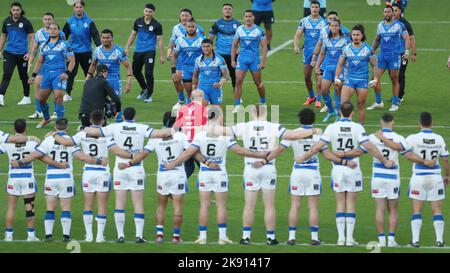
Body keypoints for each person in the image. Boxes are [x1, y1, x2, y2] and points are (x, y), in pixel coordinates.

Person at [207, 104, 325, 245]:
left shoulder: (244, 126)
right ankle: (270, 238)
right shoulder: (273, 126)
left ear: (251, 113)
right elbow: (293, 135)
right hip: (268, 166)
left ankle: (246, 237)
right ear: (265, 113)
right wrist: (314, 130)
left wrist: (205, 125)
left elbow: (222, 131)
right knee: (269, 205)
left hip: (251, 168)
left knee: (249, 205)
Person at [252, 108, 358, 246]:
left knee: (295, 206)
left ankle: (291, 237)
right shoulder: (318, 135)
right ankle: (314, 237)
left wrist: (264, 161)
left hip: (297, 173)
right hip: (313, 173)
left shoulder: (293, 134)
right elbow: (327, 155)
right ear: (313, 120)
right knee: (312, 207)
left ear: (299, 119)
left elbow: (279, 150)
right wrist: (345, 162)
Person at [295, 102, 395, 246]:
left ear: (340, 112)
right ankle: (349, 239)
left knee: (340, 202)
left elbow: (317, 147)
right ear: (352, 112)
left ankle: (341, 238)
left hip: (338, 168)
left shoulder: (332, 127)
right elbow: (369, 147)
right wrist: (384, 161)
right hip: (353, 167)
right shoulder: (357, 127)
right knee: (351, 203)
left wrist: (303, 157)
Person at [165, 111, 268, 245]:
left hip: (205, 173)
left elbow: (189, 152)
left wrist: (174, 163)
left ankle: (202, 237)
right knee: (221, 206)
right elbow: (239, 151)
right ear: (219, 117)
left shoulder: (200, 134)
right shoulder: (224, 135)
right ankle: (222, 237)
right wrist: (259, 155)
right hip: (220, 173)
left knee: (204, 206)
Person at [335, 113, 436, 247]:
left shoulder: (372, 137)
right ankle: (392, 240)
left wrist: (342, 153)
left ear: (380, 123)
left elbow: (357, 152)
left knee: (380, 209)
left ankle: (382, 240)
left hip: (377, 177)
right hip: (393, 178)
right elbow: (409, 155)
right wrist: (425, 161)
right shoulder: (399, 138)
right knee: (393, 209)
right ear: (393, 123)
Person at [83, 107, 174, 243]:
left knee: (120, 202)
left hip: (120, 168)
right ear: (134, 117)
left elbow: (95, 131)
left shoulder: (114, 127)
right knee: (138, 203)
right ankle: (138, 236)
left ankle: (120, 236)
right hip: (136, 168)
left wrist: (83, 129)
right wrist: (178, 131)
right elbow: (159, 133)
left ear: (123, 117)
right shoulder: (141, 127)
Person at [11, 117, 108, 242]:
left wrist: (20, 162)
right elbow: (82, 157)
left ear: (55, 127)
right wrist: (99, 161)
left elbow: (35, 155)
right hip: (66, 178)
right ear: (67, 127)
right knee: (66, 208)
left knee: (50, 208)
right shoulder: (69, 141)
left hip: (51, 178)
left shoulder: (48, 140)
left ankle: (48, 236)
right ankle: (66, 236)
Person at [118, 112, 205, 244]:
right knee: (178, 207)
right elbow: (191, 151)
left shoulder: (156, 138)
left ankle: (159, 235)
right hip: (178, 174)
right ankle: (176, 237)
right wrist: (207, 163)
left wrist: (128, 164)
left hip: (163, 175)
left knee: (161, 206)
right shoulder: (181, 136)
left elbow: (143, 154)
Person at [52, 110, 132, 243]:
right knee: (102, 206)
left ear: (90, 120)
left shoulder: (82, 133)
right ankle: (100, 236)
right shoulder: (106, 134)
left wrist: (54, 133)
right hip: (102, 173)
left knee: (88, 205)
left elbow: (66, 143)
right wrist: (131, 156)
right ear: (102, 121)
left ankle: (89, 236)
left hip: (88, 172)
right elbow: (116, 150)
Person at [0, 119, 65, 242]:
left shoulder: (7, 143)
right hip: (27, 179)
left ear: (14, 129)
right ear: (26, 129)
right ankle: (31, 236)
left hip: (13, 179)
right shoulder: (32, 143)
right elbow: (42, 157)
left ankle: (8, 236)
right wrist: (58, 164)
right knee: (30, 207)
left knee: (11, 208)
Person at [405, 112, 449, 248]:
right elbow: (446, 159)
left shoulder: (413, 138)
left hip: (419, 177)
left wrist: (422, 161)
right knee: (437, 210)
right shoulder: (439, 139)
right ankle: (440, 241)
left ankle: (415, 241)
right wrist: (447, 175)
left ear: (419, 123)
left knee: (417, 210)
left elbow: (407, 154)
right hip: (435, 178)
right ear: (432, 123)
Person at [28, 23, 75, 129]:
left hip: (59, 74)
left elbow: (72, 61)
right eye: (50, 29)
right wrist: (34, 75)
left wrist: (67, 73)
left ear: (59, 31)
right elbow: (40, 61)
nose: (52, 30)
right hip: (47, 74)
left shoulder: (65, 44)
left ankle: (60, 123)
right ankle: (46, 118)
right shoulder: (43, 45)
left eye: (55, 29)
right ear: (48, 31)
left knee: (58, 97)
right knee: (41, 99)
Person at [367, 5, 409, 112]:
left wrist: (407, 52)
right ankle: (378, 102)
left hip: (394, 56)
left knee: (394, 79)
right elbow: (377, 39)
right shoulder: (380, 25)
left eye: (389, 12)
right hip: (382, 56)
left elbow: (407, 38)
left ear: (393, 13)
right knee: (374, 79)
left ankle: (395, 103)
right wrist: (372, 49)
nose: (387, 14)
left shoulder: (399, 25)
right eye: (385, 12)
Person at [335, 25, 377, 124]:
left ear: (362, 35)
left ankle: (360, 127)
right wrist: (336, 77)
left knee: (361, 105)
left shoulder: (368, 49)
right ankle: (344, 125)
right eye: (353, 34)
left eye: (358, 35)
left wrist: (375, 79)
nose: (355, 37)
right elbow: (340, 65)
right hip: (349, 79)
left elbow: (374, 65)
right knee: (343, 105)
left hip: (362, 80)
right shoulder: (346, 49)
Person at [310, 11, 350, 114]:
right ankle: (331, 110)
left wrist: (348, 65)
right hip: (328, 67)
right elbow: (322, 53)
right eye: (332, 25)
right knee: (323, 90)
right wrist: (317, 65)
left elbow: (350, 53)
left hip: (339, 69)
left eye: (336, 25)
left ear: (339, 27)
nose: (334, 27)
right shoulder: (326, 39)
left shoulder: (345, 40)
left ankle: (338, 111)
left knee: (337, 90)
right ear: (329, 26)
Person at [28, 12, 65, 120]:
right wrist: (30, 60)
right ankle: (38, 111)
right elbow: (35, 49)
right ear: (43, 21)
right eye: (46, 19)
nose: (47, 21)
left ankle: (55, 111)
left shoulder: (60, 33)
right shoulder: (39, 33)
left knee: (55, 89)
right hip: (42, 65)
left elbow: (63, 49)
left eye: (49, 19)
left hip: (54, 66)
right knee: (38, 86)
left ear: (53, 20)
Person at [125, 3, 164, 103]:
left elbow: (159, 40)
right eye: (146, 11)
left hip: (150, 51)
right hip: (138, 51)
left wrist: (162, 55)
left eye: (150, 11)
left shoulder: (157, 25)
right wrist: (127, 47)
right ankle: (145, 89)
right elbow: (133, 34)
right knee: (135, 71)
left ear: (153, 13)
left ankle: (149, 95)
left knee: (148, 73)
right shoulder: (138, 21)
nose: (148, 13)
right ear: (144, 11)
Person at [62, 0, 101, 101]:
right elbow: (63, 36)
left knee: (89, 72)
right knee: (71, 72)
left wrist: (100, 46)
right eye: (76, 7)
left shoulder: (89, 21)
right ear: (74, 8)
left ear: (83, 8)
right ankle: (67, 93)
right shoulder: (69, 21)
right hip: (73, 52)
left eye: (80, 7)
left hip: (86, 51)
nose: (78, 9)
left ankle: (92, 93)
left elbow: (95, 34)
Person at [231, 10, 267, 113]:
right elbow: (234, 45)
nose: (247, 18)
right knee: (238, 81)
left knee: (258, 82)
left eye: (249, 16)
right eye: (246, 16)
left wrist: (263, 62)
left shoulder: (259, 31)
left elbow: (264, 47)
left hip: (254, 60)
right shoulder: (239, 30)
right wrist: (233, 59)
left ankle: (263, 102)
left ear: (253, 18)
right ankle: (237, 105)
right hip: (242, 59)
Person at [167, 8, 205, 108]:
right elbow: (172, 41)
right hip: (181, 60)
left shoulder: (199, 30)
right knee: (177, 80)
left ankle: (197, 104)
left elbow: (205, 46)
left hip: (196, 62)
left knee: (197, 86)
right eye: (182, 15)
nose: (184, 17)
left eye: (186, 15)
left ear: (191, 17)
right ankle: (182, 100)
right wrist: (169, 51)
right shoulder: (176, 29)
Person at [294, 1, 327, 108]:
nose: (314, 9)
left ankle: (318, 99)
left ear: (319, 8)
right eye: (313, 7)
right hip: (307, 53)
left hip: (320, 53)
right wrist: (296, 46)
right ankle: (311, 96)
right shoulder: (304, 21)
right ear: (310, 8)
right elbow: (297, 35)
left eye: (316, 7)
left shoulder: (324, 22)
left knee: (318, 77)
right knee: (307, 77)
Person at [0, 2, 34, 107]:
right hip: (9, 52)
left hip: (22, 54)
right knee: (6, 74)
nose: (15, 12)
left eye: (17, 10)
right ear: (11, 10)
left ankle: (26, 97)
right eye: (13, 10)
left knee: (23, 76)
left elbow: (32, 37)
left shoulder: (26, 22)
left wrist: (29, 53)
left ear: (20, 10)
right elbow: (3, 36)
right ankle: (1, 97)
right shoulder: (6, 21)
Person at [87, 29, 132, 97]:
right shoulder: (97, 50)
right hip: (100, 81)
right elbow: (93, 65)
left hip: (114, 81)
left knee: (114, 104)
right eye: (103, 38)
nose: (105, 40)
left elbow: (128, 67)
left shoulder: (119, 51)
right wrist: (87, 79)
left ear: (112, 38)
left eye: (108, 38)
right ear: (101, 38)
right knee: (100, 104)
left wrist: (128, 82)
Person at [209, 3, 241, 93]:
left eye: (229, 9)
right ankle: (215, 93)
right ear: (222, 11)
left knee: (235, 76)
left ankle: (237, 96)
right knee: (216, 75)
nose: (227, 10)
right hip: (220, 54)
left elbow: (243, 37)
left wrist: (240, 48)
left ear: (232, 11)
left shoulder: (237, 24)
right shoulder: (217, 24)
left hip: (233, 55)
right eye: (225, 9)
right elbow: (210, 38)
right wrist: (210, 50)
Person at [192, 39, 229, 105]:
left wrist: (219, 84)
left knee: (215, 111)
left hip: (214, 89)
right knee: (199, 109)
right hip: (202, 88)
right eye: (204, 46)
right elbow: (195, 76)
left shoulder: (220, 59)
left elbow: (226, 75)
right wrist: (194, 90)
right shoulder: (198, 60)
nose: (206, 48)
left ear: (212, 46)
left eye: (208, 46)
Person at [392, 3, 416, 102]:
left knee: (400, 75)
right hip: (392, 55)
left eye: (396, 10)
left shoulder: (405, 24)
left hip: (403, 54)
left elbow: (411, 38)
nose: (393, 12)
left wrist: (414, 53)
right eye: (392, 10)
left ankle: (400, 96)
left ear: (400, 12)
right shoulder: (389, 23)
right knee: (393, 76)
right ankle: (396, 95)